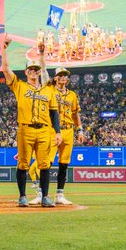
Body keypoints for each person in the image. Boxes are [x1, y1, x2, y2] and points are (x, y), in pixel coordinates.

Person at [0, 32, 62, 207]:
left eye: (36, 70)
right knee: (23, 164)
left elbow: (54, 113)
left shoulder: (48, 90)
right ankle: (22, 196)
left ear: (39, 72)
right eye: (30, 70)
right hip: (25, 129)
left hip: (43, 130)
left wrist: (57, 132)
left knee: (45, 164)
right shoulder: (20, 86)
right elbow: (6, 69)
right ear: (26, 72)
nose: (33, 72)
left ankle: (46, 196)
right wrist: (4, 49)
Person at [48, 66, 83, 205]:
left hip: (68, 130)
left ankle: (59, 194)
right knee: (47, 162)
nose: (63, 77)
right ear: (55, 77)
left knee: (64, 164)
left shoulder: (72, 95)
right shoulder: (49, 90)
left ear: (68, 79)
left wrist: (80, 129)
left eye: (65, 75)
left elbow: (75, 114)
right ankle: (41, 192)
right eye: (60, 75)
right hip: (52, 129)